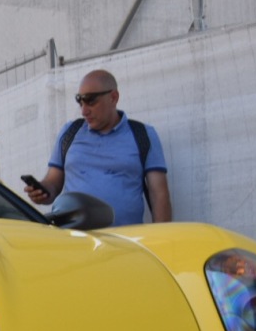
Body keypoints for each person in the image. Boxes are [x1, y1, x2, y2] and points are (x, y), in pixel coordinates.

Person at [24, 70, 173, 225]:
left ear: (113, 97)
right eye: (80, 101)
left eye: (91, 101)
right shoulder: (70, 132)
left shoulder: (143, 134)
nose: (84, 111)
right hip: (74, 240)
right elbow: (53, 183)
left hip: (124, 241)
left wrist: (163, 241)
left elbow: (159, 195)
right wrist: (42, 192)